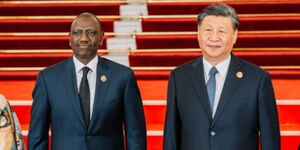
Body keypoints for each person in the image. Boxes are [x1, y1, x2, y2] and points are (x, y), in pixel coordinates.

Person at [163, 4, 280, 150]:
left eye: (222, 31)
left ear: (235, 35)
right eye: (208, 30)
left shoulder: (257, 79)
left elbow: (270, 139)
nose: (214, 37)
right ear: (198, 32)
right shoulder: (179, 77)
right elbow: (171, 135)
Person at [28, 12, 146, 150]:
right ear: (69, 39)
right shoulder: (48, 79)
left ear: (101, 38)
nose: (84, 38)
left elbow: (135, 134)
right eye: (77, 33)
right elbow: (37, 136)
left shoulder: (123, 77)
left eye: (91, 33)